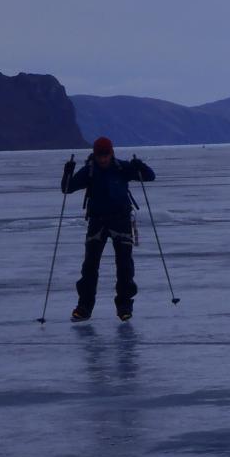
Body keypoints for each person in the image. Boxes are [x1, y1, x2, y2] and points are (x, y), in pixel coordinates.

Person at [61, 137, 155, 322]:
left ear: (111, 153)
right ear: (95, 155)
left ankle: (124, 306)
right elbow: (67, 188)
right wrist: (67, 173)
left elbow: (150, 176)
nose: (102, 159)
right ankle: (84, 307)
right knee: (89, 267)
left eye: (105, 155)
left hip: (121, 222)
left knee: (125, 267)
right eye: (99, 155)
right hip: (97, 223)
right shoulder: (89, 171)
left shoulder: (122, 168)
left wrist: (140, 166)